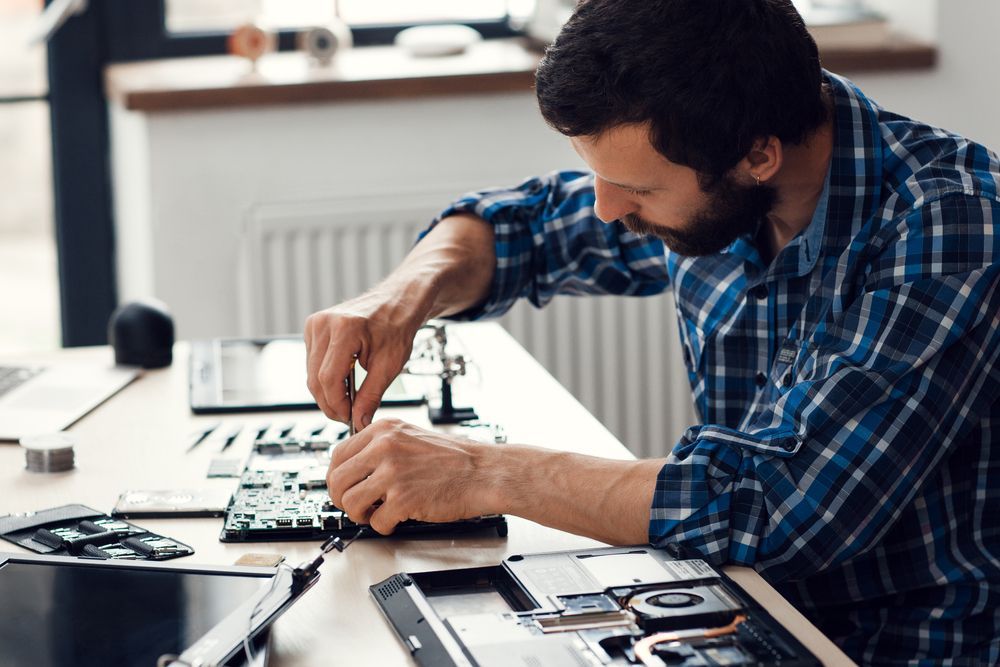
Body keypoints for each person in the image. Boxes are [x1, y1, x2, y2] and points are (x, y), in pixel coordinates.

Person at [304, 0, 1000, 663]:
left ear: (758, 157)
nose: (606, 208)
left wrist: (480, 471)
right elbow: (528, 228)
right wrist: (399, 297)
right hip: (739, 608)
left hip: (900, 644)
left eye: (637, 191)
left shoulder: (950, 226)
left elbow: (774, 505)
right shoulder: (717, 164)